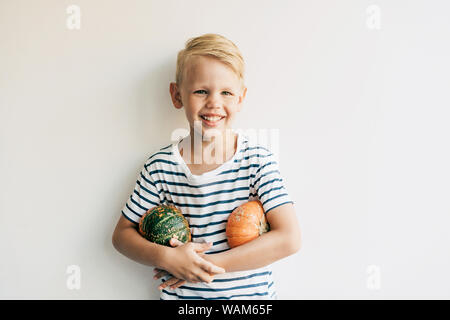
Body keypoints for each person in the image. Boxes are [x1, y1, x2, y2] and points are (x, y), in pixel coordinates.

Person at [112, 33, 302, 300]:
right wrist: (167, 257)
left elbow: (289, 238)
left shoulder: (257, 161)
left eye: (226, 92)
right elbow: (122, 236)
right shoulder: (160, 167)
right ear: (177, 95)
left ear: (240, 98)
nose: (214, 102)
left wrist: (204, 266)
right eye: (201, 91)